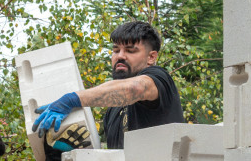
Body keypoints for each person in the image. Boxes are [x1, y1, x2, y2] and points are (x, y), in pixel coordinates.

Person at [32, 20, 185, 149]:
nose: (120, 56)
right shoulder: (113, 110)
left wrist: (72, 99)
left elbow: (135, 88)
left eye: (130, 51)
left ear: (151, 57)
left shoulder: (159, 79)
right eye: (116, 50)